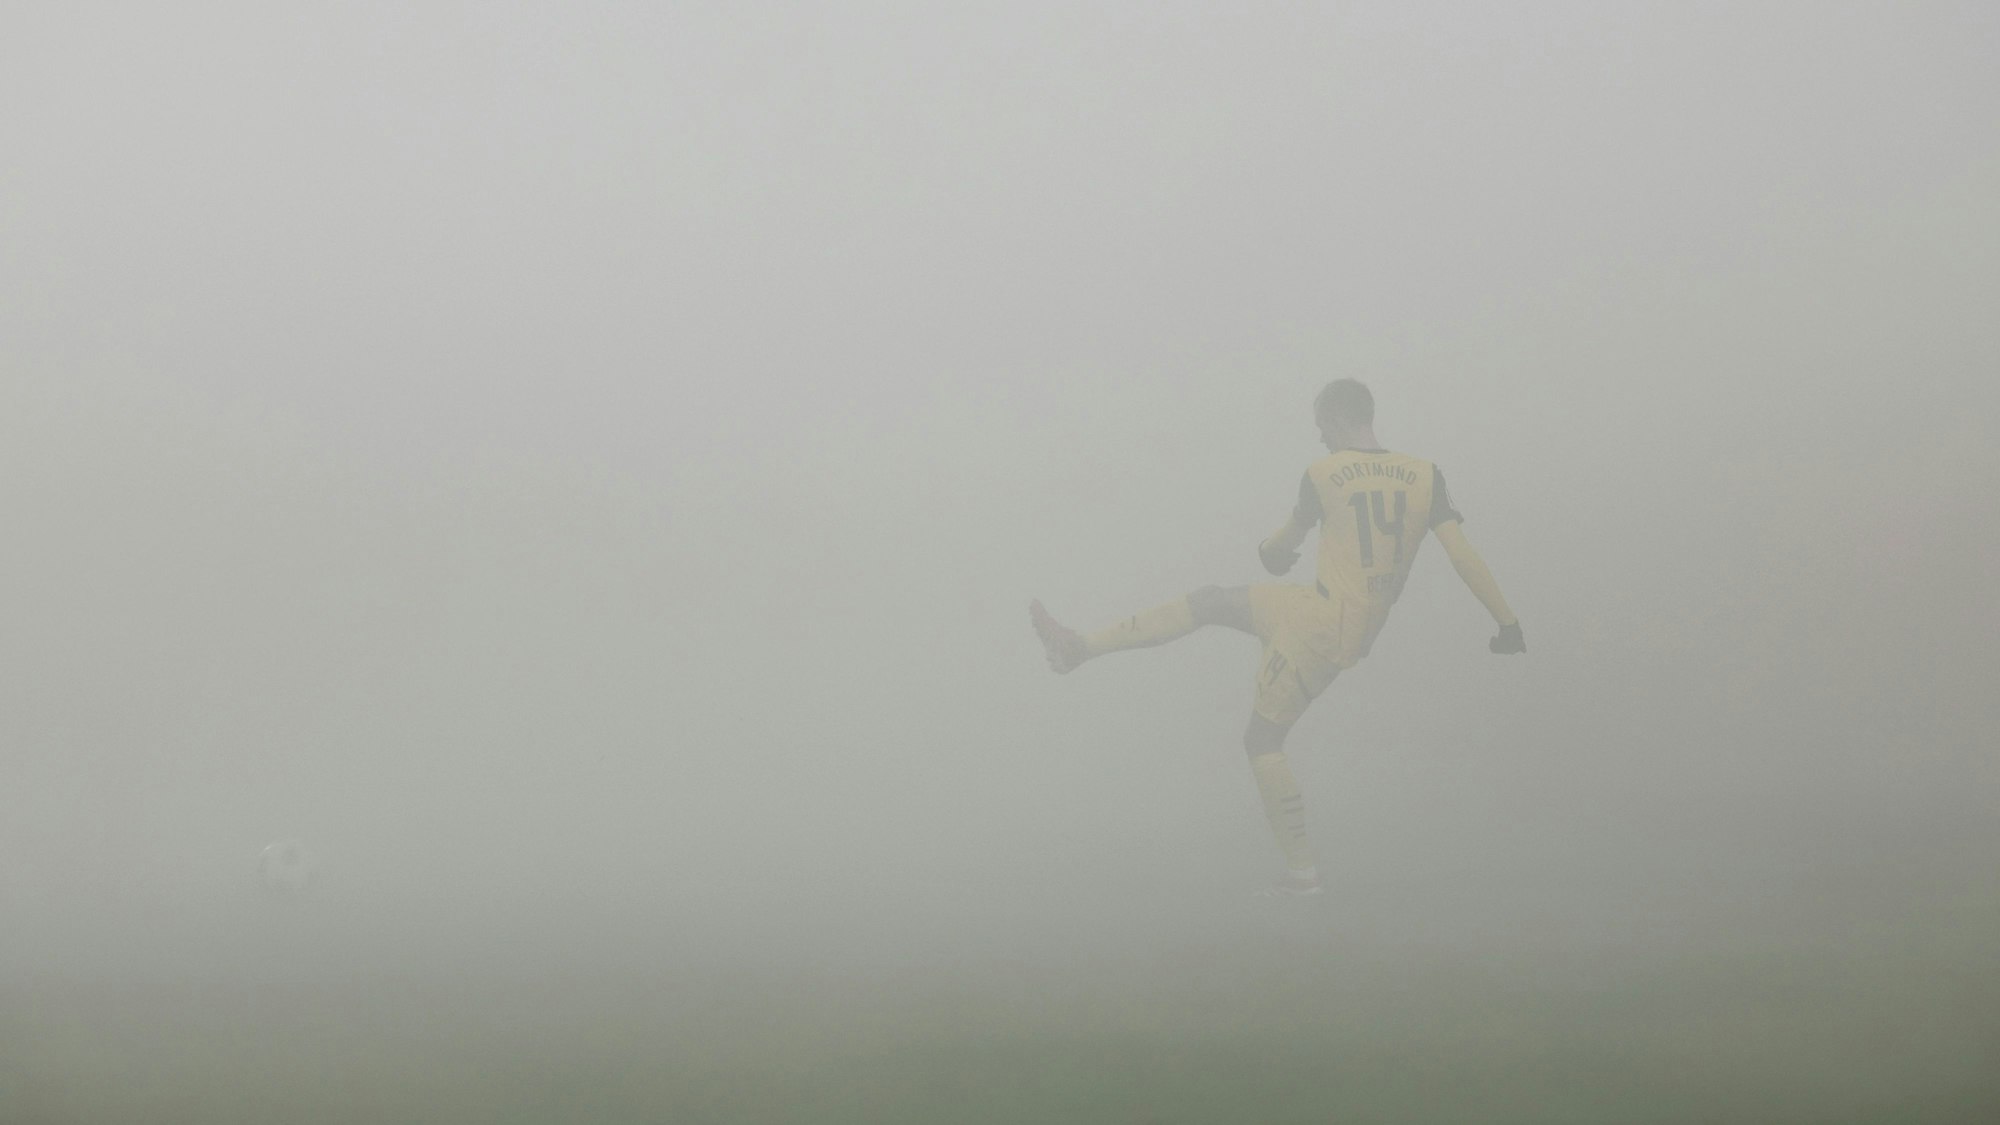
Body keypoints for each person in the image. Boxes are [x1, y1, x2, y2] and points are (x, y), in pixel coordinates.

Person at [1029, 379, 1525, 897]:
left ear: (1335, 419)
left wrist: (1271, 550)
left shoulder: (1323, 473)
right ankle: (1080, 646)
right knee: (1209, 600)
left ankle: (1303, 874)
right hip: (1321, 608)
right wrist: (1507, 623)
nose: (1320, 439)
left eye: (1320, 428)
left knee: (1261, 741)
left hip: (1318, 631)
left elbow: (1281, 542)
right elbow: (1462, 555)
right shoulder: (1426, 475)